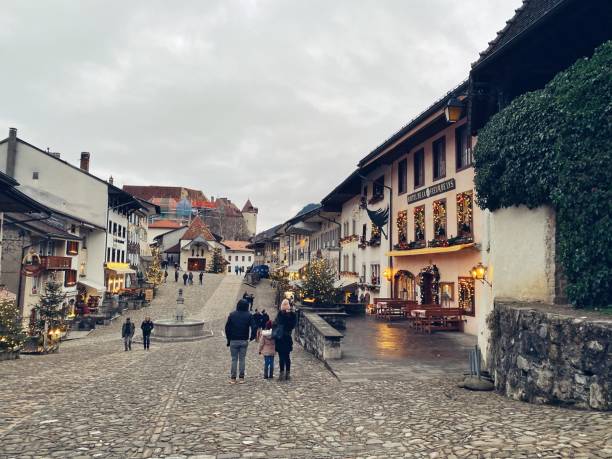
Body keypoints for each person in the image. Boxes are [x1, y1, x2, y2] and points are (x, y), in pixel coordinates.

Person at [224, 299, 256, 384]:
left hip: (233, 340)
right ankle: (241, 378)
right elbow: (254, 327)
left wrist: (228, 339)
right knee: (242, 359)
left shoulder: (232, 315)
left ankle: (233, 378)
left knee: (234, 359)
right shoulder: (249, 315)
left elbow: (227, 328)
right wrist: (252, 337)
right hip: (243, 340)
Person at [274, 299, 297, 381]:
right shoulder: (292, 315)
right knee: (287, 357)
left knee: (282, 357)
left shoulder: (280, 314)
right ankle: (287, 374)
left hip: (281, 338)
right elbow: (292, 326)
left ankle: (282, 374)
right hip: (287, 338)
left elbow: (276, 324)